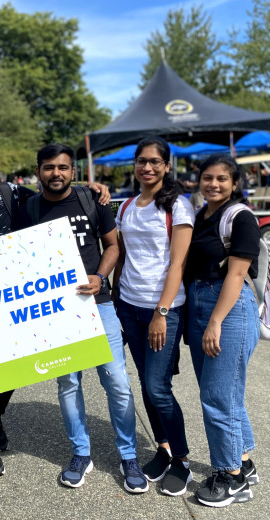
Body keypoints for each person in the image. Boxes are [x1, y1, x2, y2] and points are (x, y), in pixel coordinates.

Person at [0, 136, 110, 477]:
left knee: (15, 364)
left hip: (14, 298)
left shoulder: (15, 195)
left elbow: (57, 192)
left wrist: (90, 188)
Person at [15, 144, 147, 494]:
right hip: (55, 310)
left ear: (72, 170)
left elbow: (113, 247)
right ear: (38, 171)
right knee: (68, 384)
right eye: (48, 168)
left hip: (97, 302)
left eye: (62, 167)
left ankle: (128, 455)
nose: (55, 173)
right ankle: (80, 453)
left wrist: (101, 277)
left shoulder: (93, 200)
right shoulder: (30, 207)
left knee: (116, 381)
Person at [113, 137, 195, 497]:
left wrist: (162, 312)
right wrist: (115, 302)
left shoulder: (179, 206)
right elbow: (121, 256)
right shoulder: (128, 205)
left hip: (163, 308)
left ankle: (183, 460)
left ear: (166, 165)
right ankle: (162, 447)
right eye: (141, 161)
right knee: (147, 383)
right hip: (129, 305)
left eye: (155, 162)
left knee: (159, 388)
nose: (147, 167)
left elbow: (177, 263)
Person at [184, 154, 260, 508]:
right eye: (207, 178)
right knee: (225, 393)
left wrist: (215, 321)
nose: (213, 184)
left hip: (228, 308)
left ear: (234, 184)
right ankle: (244, 463)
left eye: (222, 179)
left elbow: (235, 273)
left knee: (217, 397)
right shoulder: (201, 215)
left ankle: (230, 478)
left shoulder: (240, 217)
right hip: (200, 301)